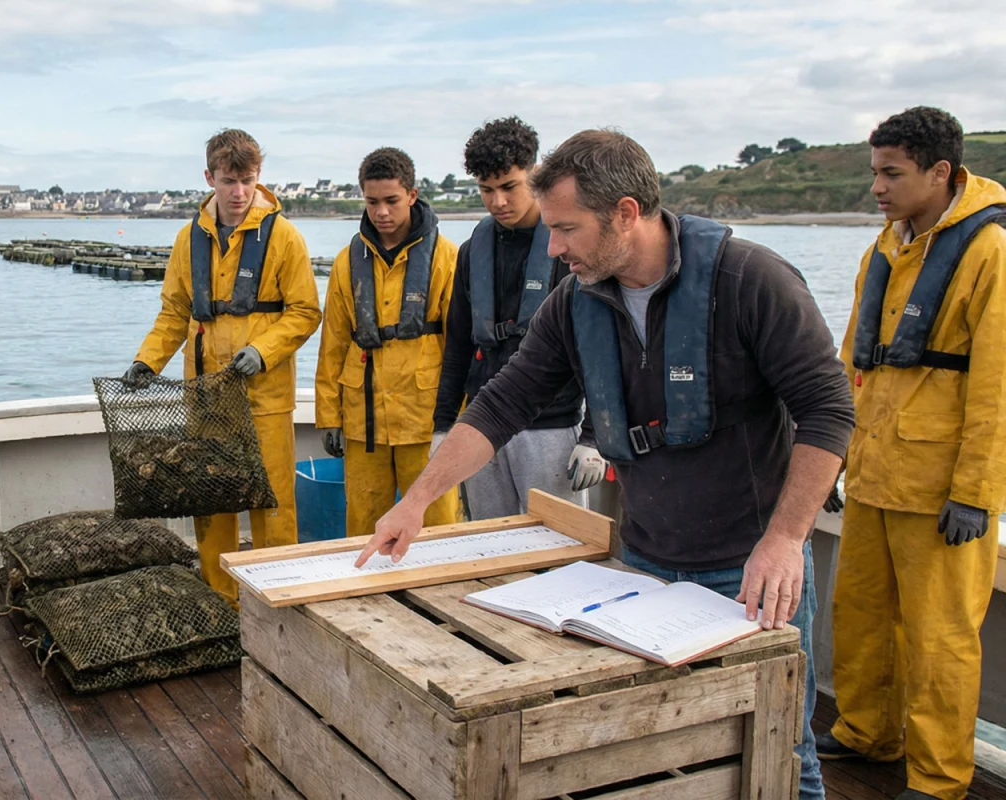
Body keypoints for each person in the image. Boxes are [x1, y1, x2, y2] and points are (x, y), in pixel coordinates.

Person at [357, 130, 855, 800]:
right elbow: (502, 404)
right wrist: (417, 500)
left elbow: (828, 408)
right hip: (646, 561)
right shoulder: (577, 299)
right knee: (663, 750)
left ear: (625, 213)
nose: (554, 247)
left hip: (753, 565)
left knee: (783, 750)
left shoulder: (751, 280)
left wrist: (787, 539)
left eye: (567, 229)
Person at [821, 106, 1006, 800]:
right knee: (860, 612)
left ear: (940, 172)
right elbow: (849, 363)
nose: (877, 187)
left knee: (940, 641)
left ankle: (939, 777)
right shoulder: (884, 248)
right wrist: (835, 457)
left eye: (892, 173)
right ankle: (867, 732)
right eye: (874, 172)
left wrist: (976, 493)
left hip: (939, 490)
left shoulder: (991, 253)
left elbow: (997, 388)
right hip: (873, 471)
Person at [126, 128, 321, 603]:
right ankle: (220, 598)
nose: (239, 193)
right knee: (211, 503)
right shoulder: (187, 239)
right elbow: (174, 312)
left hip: (265, 399)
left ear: (259, 177)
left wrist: (264, 350)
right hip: (206, 398)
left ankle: (280, 595)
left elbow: (305, 311)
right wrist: (146, 361)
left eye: (248, 180)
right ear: (209, 177)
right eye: (229, 181)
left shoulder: (285, 237)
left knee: (271, 502)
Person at [434, 117, 599, 517]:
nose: (498, 202)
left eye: (509, 186)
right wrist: (443, 426)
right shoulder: (474, 250)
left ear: (535, 173)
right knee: (492, 549)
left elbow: (598, 346)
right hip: (483, 427)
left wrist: (593, 438)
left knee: (558, 551)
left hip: (552, 428)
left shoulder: (566, 247)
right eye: (487, 190)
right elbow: (457, 343)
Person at [315, 147, 459, 537]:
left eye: (391, 200)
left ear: (412, 195)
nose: (381, 212)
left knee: (437, 524)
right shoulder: (347, 261)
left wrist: (460, 417)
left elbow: (460, 346)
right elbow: (333, 344)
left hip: (426, 418)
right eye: (372, 201)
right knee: (363, 522)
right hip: (364, 421)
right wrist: (329, 416)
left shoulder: (447, 259)